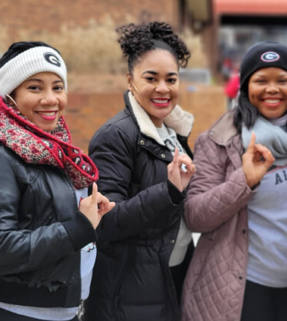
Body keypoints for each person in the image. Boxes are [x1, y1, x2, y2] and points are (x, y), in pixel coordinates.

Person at [0, 41, 113, 321]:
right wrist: (78, 228)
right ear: (9, 96)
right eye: (35, 87)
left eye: (57, 87)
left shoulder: (54, 149)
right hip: (9, 312)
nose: (50, 99)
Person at [182, 41, 287, 321]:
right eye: (261, 80)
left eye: (283, 80)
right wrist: (243, 181)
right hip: (243, 288)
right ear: (245, 88)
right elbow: (195, 215)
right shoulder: (219, 141)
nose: (272, 89)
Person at [84, 22, 196, 321]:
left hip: (169, 275)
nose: (163, 88)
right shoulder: (115, 136)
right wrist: (169, 192)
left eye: (171, 79)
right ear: (130, 80)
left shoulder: (173, 133)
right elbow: (106, 221)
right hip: (129, 290)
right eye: (151, 78)